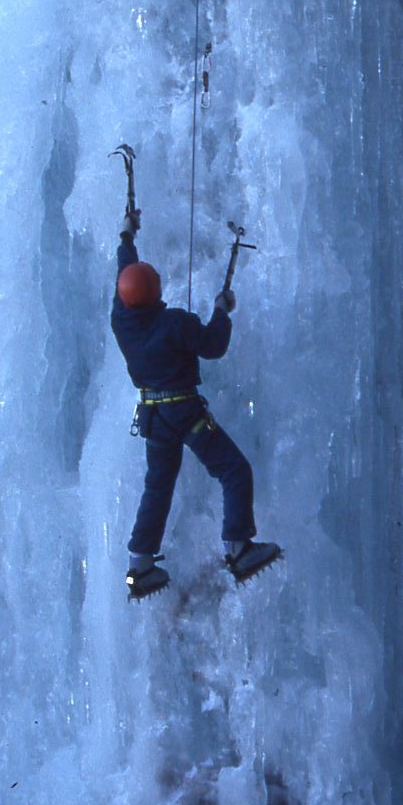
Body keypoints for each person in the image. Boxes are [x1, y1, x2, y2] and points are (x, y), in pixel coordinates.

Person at [110, 206, 280, 599]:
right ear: (157, 293)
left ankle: (139, 566)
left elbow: (126, 274)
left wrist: (126, 236)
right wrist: (222, 310)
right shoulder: (174, 324)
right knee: (234, 470)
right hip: (185, 413)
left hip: (154, 418)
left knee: (158, 487)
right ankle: (238, 548)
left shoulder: (122, 320)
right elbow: (214, 346)